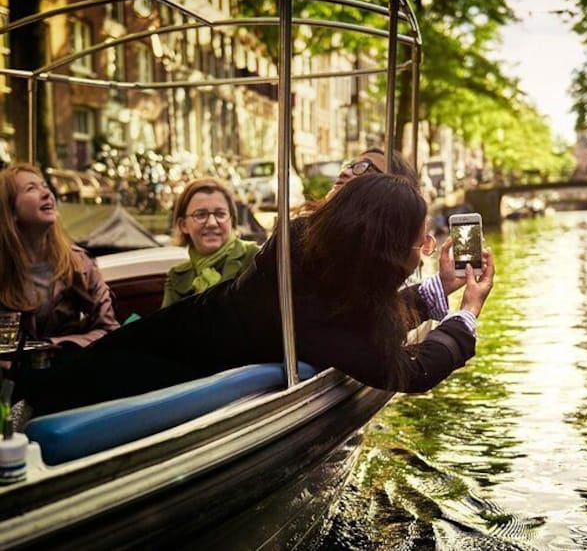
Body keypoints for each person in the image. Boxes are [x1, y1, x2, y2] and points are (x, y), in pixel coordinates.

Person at [18, 174, 495, 415]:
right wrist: (469, 310)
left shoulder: (310, 247)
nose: (428, 249)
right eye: (422, 242)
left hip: (182, 332)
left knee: (65, 379)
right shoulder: (322, 308)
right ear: (382, 249)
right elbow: (409, 370)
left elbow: (363, 316)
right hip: (173, 362)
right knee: (54, 393)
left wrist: (441, 287)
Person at [0, 163, 119, 353]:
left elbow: (110, 329)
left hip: (69, 372)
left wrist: (54, 344)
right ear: (11, 211)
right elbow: (4, 350)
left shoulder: (79, 263)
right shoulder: (4, 270)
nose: (47, 194)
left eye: (45, 186)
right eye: (31, 188)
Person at [161, 177, 260, 308]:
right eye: (200, 215)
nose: (212, 223)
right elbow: (167, 327)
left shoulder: (256, 259)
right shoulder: (176, 277)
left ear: (232, 220)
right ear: (183, 225)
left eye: (220, 214)